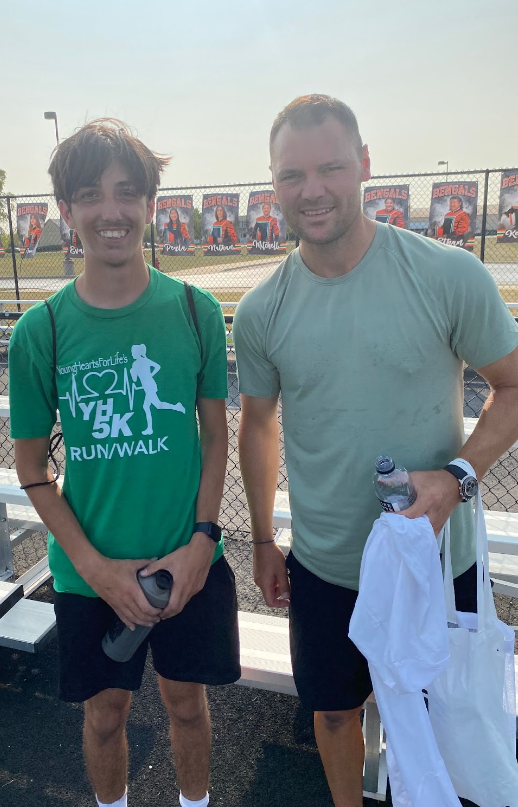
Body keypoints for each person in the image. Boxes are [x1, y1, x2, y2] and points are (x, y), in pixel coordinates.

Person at [233, 94, 518, 807]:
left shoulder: (446, 274)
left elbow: (511, 387)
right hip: (326, 565)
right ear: (273, 185)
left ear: (363, 164)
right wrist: (265, 537)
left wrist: (457, 476)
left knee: (437, 722)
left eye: (330, 167)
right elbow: (258, 425)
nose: (313, 190)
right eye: (292, 175)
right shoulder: (263, 309)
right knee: (332, 712)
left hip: (432, 561)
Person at [8, 118, 239, 807]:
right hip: (89, 576)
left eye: (127, 193)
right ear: (65, 210)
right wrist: (99, 569)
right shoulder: (40, 331)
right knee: (103, 716)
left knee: (187, 706)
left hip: (186, 563)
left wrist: (201, 543)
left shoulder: (195, 311)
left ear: (149, 203)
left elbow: (216, 439)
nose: (111, 211)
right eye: (90, 194)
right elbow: (31, 470)